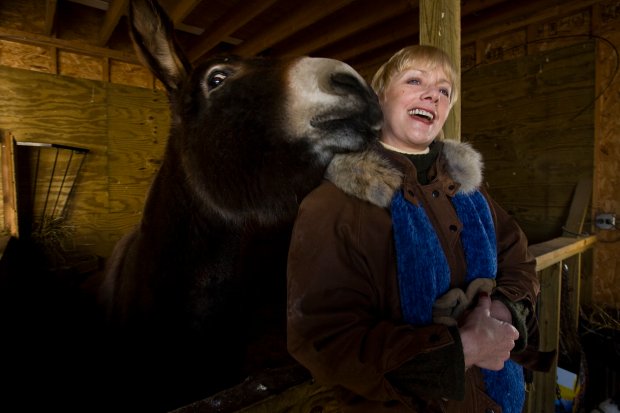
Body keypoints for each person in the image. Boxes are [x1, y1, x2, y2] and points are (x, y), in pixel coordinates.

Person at [286, 45, 554, 413]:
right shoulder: (334, 204)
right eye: (415, 80)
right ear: (379, 98)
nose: (433, 94)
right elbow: (322, 338)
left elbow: (519, 260)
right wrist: (463, 348)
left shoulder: (470, 190)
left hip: (495, 399)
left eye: (444, 90)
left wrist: (502, 315)